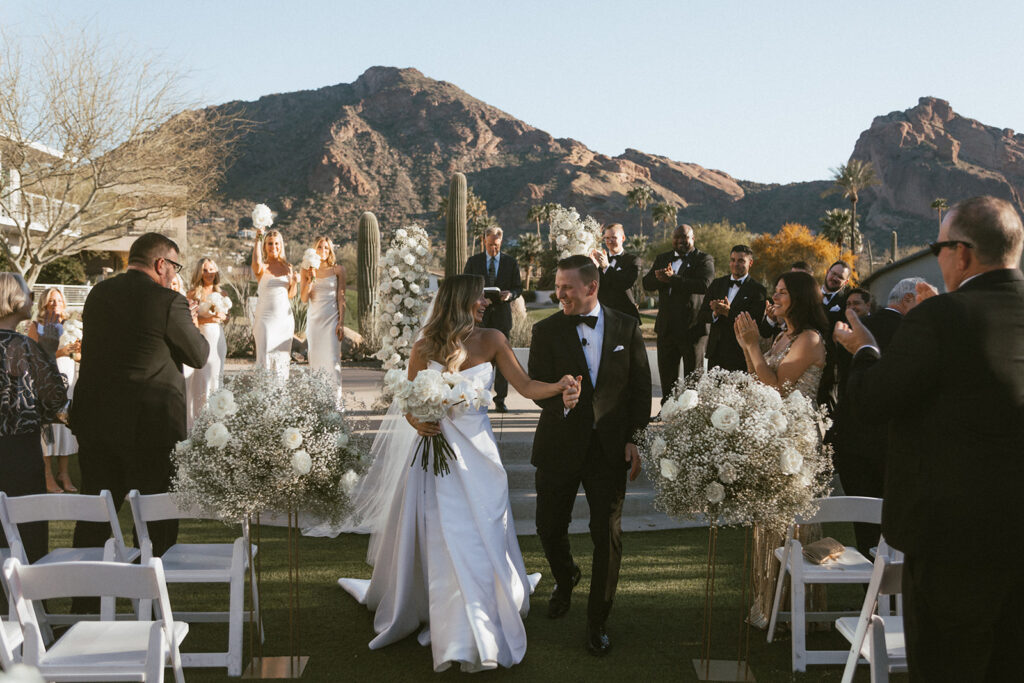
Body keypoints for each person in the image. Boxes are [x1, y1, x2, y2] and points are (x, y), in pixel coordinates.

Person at [339, 274, 576, 673]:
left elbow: (527, 385)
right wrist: (419, 423)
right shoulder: (424, 346)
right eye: (478, 298)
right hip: (435, 457)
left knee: (482, 529)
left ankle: (483, 607)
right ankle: (447, 613)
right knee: (443, 533)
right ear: (459, 300)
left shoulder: (494, 340)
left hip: (479, 457)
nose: (485, 303)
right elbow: (409, 402)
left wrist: (560, 386)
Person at [835, 196, 1024, 679]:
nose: (938, 258)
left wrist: (865, 351)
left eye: (938, 246)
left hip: (954, 545)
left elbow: (875, 403)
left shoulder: (939, 317)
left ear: (961, 252)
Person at [528, 255, 652, 655]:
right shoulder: (544, 330)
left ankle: (598, 620)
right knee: (548, 527)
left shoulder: (627, 327)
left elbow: (638, 389)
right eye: (557, 285)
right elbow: (535, 386)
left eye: (565, 286)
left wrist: (636, 438)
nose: (558, 293)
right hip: (559, 445)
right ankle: (565, 579)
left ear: (591, 287)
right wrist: (561, 400)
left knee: (607, 535)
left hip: (609, 450)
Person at [70, 233, 209, 559]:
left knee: (95, 517)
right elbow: (199, 355)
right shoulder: (167, 302)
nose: (175, 274)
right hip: (152, 428)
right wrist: (190, 319)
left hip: (97, 425)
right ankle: (151, 600)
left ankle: (84, 599)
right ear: (161, 264)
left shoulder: (98, 295)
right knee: (155, 521)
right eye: (174, 266)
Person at [734, 270, 830, 629]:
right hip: (772, 436)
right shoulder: (779, 338)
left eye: (782, 292)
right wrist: (749, 347)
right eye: (775, 291)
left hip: (796, 441)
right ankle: (770, 603)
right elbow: (758, 381)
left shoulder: (808, 339)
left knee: (793, 522)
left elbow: (776, 390)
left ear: (800, 298)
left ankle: (800, 609)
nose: (774, 297)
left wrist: (754, 346)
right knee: (769, 521)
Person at [834, 277, 928, 557]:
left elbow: (845, 385)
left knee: (864, 525)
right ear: (909, 299)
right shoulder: (915, 332)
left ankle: (869, 596)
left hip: (852, 440)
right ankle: (896, 596)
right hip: (894, 443)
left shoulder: (856, 330)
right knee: (898, 524)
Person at [0, 273, 67, 562]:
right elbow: (55, 402)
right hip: (19, 451)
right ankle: (28, 602)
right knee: (25, 534)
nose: (31, 299)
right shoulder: (24, 347)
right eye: (27, 294)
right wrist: (49, 353)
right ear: (14, 300)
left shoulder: (23, 346)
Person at [642, 224, 714, 403]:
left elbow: (704, 284)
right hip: (667, 327)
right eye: (677, 237)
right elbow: (647, 283)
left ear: (693, 239)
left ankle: (691, 413)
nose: (681, 241)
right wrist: (658, 278)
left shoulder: (703, 259)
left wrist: (672, 279)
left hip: (693, 328)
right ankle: (667, 409)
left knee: (693, 375)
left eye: (685, 237)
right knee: (667, 373)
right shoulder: (662, 258)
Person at [463, 226, 522, 412]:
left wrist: (510, 295)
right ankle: (476, 396)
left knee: (503, 362)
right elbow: (465, 285)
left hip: (502, 318)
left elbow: (518, 288)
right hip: (479, 317)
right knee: (477, 359)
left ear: (501, 242)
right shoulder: (474, 261)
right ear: (484, 241)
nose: (493, 249)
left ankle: (500, 399)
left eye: (496, 246)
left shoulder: (510, 262)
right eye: (490, 245)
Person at [28, 288, 80, 493]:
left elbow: (78, 358)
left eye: (58, 300)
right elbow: (33, 356)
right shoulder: (36, 326)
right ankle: (47, 474)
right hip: (46, 384)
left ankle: (64, 473)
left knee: (65, 429)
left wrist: (77, 352)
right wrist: (61, 351)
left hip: (68, 383)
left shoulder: (71, 327)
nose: (55, 303)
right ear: (43, 304)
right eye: (51, 300)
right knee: (48, 428)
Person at [700, 244, 767, 372]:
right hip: (716, 352)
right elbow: (702, 316)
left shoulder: (758, 290)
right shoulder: (717, 284)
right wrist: (715, 313)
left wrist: (728, 312)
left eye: (741, 261)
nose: (735, 264)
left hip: (741, 355)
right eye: (733, 260)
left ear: (750, 263)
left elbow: (754, 321)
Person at [300, 236, 346, 400]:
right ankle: (318, 404)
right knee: (316, 363)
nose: (323, 251)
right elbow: (304, 298)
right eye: (320, 247)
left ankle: (336, 405)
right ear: (314, 249)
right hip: (315, 322)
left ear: (331, 251)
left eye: (326, 248)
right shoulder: (306, 270)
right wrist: (311, 279)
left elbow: (341, 297)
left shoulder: (338, 270)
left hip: (332, 320)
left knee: (333, 362)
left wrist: (341, 323)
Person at [251, 228, 297, 381]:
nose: (274, 247)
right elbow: (256, 262)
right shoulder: (262, 267)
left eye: (277, 243)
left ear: (281, 245)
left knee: (282, 360)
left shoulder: (288, 267)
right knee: (264, 357)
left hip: (284, 320)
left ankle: (280, 400)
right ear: (264, 246)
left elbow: (291, 294)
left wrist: (294, 282)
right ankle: (262, 399)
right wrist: (258, 237)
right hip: (264, 319)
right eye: (270, 244)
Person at [187, 258, 229, 418]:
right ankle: (197, 419)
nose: (209, 273)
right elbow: (190, 320)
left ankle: (215, 419)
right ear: (199, 272)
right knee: (201, 379)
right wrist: (210, 319)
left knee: (216, 378)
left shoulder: (222, 293)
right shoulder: (193, 294)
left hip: (218, 339)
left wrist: (223, 317)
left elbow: (227, 319)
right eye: (205, 270)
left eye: (212, 269)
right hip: (201, 338)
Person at [591, 223, 641, 321]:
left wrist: (606, 267)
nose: (609, 241)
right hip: (603, 316)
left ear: (623, 238)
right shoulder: (598, 261)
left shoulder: (633, 260)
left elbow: (625, 283)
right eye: (607, 238)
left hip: (625, 316)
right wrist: (592, 269)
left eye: (614, 237)